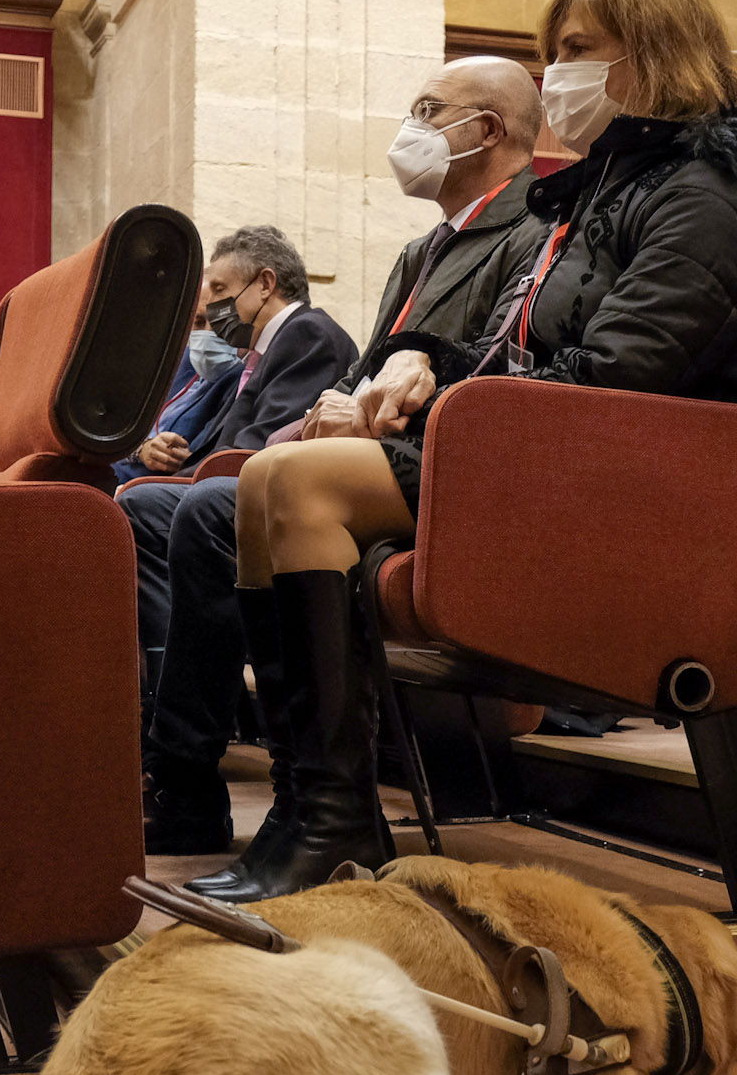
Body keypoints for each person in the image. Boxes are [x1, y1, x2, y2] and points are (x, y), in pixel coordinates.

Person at [219, 0, 737, 900]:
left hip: (640, 480)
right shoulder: (604, 190)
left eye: (577, 51)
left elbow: (628, 370)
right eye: (549, 56)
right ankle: (312, 806)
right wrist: (429, 366)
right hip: (557, 443)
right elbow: (523, 345)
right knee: (266, 481)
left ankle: (336, 818)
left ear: (654, 53)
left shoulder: (715, 186)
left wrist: (458, 404)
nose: (555, 79)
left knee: (300, 485)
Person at [175, 55, 550, 887]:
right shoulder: (422, 249)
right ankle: (297, 799)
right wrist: (329, 409)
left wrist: (382, 403)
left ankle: (318, 810)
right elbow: (368, 371)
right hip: (390, 445)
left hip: (451, 456)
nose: (409, 127)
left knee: (237, 499)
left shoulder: (535, 228)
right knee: (223, 497)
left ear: (486, 130)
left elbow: (498, 361)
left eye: (428, 109)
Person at [118, 226, 354, 759]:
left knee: (147, 506)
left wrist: (171, 479)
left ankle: (169, 720)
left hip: (283, 497)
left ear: (265, 283)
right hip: (241, 484)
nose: (216, 312)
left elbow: (262, 445)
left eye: (221, 294)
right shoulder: (258, 356)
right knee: (140, 502)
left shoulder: (308, 333)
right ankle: (157, 712)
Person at [113, 302, 243, 486]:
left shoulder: (239, 378)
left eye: (219, 323)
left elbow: (196, 459)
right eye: (198, 322)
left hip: (143, 486)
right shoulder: (181, 359)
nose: (206, 334)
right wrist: (141, 448)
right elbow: (119, 424)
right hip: (116, 467)